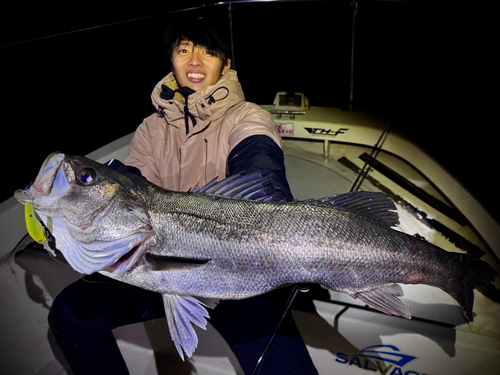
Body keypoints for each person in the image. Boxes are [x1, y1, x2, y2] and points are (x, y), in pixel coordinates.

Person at [48, 19, 318, 375]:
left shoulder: (247, 116)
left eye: (208, 52)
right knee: (69, 316)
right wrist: (67, 218)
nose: (194, 61)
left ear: (227, 66)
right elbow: (133, 189)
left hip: (235, 271)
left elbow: (261, 170)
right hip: (162, 263)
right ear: (172, 63)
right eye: (184, 50)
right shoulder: (151, 128)